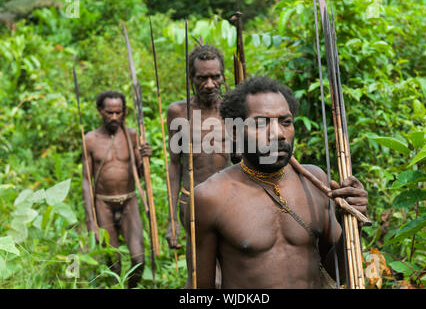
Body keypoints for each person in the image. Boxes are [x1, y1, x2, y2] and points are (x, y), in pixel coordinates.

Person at [192, 76, 369, 288]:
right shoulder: (211, 197)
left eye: (285, 122)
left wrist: (353, 223)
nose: (278, 134)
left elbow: (339, 274)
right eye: (260, 124)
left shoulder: (314, 182)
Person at [165, 45, 236, 249]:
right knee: (200, 270)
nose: (209, 84)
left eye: (215, 77)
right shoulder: (178, 113)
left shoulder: (232, 110)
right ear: (191, 78)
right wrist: (172, 220)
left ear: (223, 77)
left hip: (229, 200)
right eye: (201, 78)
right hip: (192, 202)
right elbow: (174, 164)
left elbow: (244, 161)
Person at [82, 91, 152, 288]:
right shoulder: (90, 140)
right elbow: (87, 181)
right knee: (114, 263)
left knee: (139, 260)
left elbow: (139, 174)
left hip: (129, 201)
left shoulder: (131, 136)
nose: (114, 117)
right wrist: (91, 221)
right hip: (103, 204)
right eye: (109, 112)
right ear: (100, 111)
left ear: (125, 112)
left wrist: (145, 157)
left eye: (118, 113)